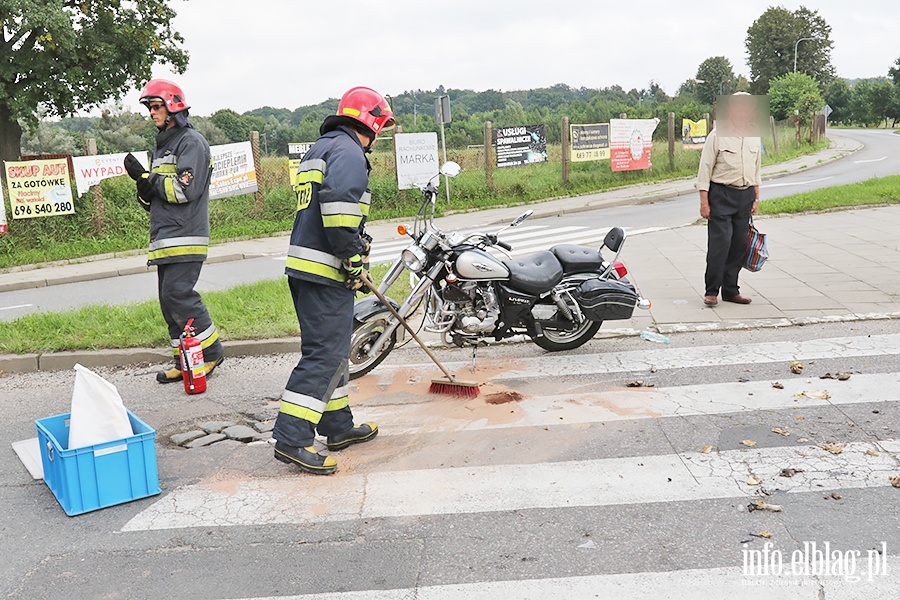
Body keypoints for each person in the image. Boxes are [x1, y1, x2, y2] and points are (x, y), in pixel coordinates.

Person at [272, 87, 394, 475]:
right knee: (324, 354)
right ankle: (292, 439)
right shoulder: (349, 153)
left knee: (335, 350)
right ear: (371, 123)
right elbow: (340, 209)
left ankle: (337, 426)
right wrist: (354, 259)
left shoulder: (322, 148)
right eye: (382, 126)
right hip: (325, 270)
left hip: (308, 268)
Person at [123, 79, 225, 383]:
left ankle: (210, 353)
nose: (152, 113)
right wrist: (142, 184)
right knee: (168, 302)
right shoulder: (164, 145)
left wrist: (149, 180)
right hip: (165, 237)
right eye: (150, 108)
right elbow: (154, 201)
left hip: (186, 234)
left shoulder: (191, 142)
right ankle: (185, 361)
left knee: (179, 295)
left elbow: (185, 190)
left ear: (173, 108)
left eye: (156, 107)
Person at [696, 92, 762, 307]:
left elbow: (757, 168)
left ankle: (731, 290)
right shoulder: (717, 135)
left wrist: (756, 196)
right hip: (721, 194)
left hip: (745, 196)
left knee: (739, 244)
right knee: (720, 243)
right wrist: (704, 202)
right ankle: (712, 290)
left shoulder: (754, 134)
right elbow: (704, 169)